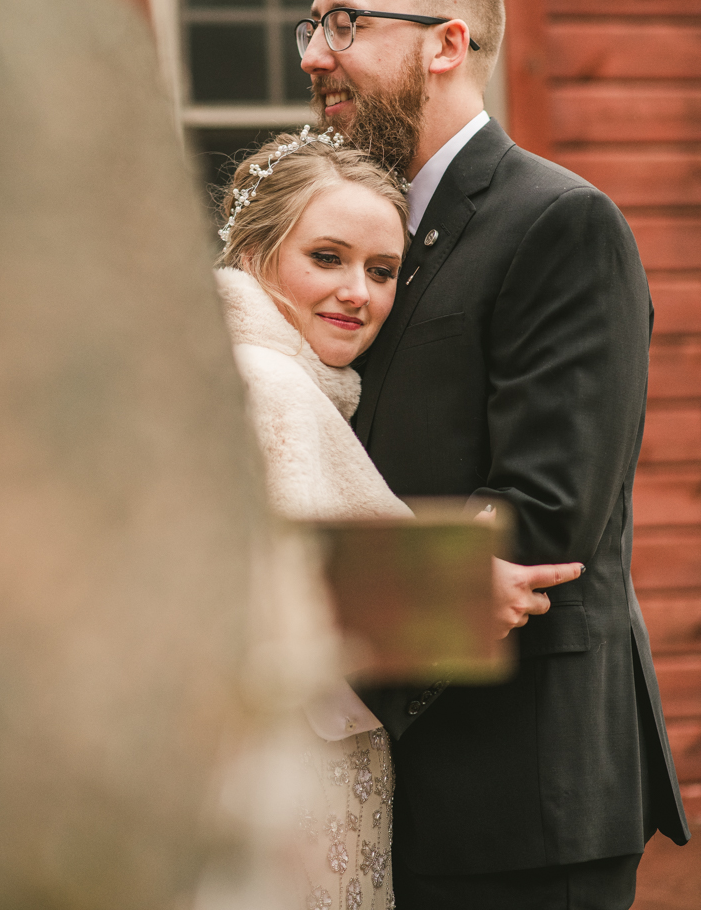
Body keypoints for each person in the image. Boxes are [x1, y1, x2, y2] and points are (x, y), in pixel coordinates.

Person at [296, 0, 691, 910]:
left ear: (445, 44)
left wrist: (283, 594)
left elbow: (542, 517)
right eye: (308, 26)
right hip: (392, 779)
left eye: (344, 24)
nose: (312, 55)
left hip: (523, 787)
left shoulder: (557, 222)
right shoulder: (365, 236)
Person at [214, 125, 582, 910]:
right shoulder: (266, 390)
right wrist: (451, 590)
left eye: (383, 271)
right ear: (252, 255)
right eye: (327, 258)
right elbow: (255, 602)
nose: (360, 292)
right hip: (276, 794)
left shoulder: (267, 378)